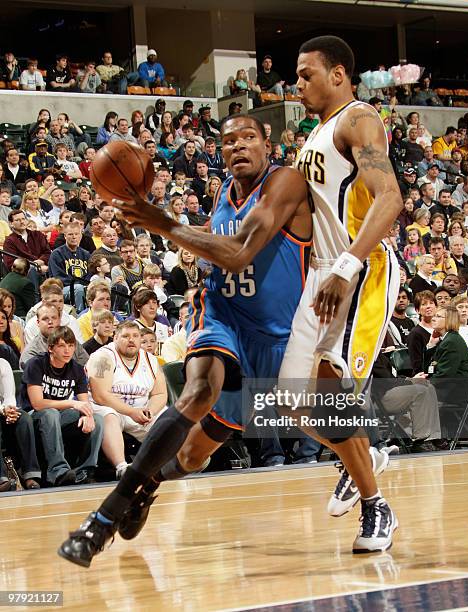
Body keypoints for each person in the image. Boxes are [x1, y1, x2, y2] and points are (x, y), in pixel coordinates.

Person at [118, 38, 397, 552]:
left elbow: (392, 197)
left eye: (307, 73)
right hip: (322, 274)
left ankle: (376, 506)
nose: (298, 83)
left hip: (360, 271)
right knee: (289, 402)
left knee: (331, 386)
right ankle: (359, 455)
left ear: (339, 74)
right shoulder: (315, 136)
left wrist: (347, 263)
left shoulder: (359, 120)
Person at [58, 112, 314, 565]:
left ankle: (149, 487)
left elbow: (237, 253)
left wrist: (162, 222)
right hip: (220, 314)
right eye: (229, 139)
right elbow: (215, 252)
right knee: (198, 391)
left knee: (194, 456)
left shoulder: (286, 183)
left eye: (248, 138)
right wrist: (169, 227)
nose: (238, 146)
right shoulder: (222, 191)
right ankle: (102, 519)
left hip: (273, 339)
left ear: (267, 142)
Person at [85, 321, 168, 479]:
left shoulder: (151, 360)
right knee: (109, 416)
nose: (131, 340)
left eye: (136, 336)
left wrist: (150, 411)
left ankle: (180, 460)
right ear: (115, 338)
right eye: (125, 336)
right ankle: (122, 467)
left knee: (168, 416)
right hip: (109, 407)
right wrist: (132, 412)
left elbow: (160, 394)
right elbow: (100, 395)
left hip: (140, 408)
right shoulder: (102, 357)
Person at [21, 326, 103, 486]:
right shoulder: (36, 364)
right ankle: (58, 471)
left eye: (71, 345)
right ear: (50, 348)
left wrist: (88, 415)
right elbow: (38, 404)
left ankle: (85, 470)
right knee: (50, 413)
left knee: (98, 419)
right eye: (62, 346)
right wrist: (73, 403)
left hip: (60, 415)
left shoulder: (77, 369)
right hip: (33, 417)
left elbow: (84, 402)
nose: (67, 350)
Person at [0, 357, 41, 491]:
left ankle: (30, 475)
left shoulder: (3, 364)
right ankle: (1, 478)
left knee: (23, 419)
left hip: (4, 412)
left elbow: (9, 396)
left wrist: (10, 410)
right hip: (1, 411)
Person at [48, 223, 90, 314]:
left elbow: (89, 274)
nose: (74, 237)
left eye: (76, 234)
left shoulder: (86, 254)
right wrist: (78, 284)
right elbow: (58, 278)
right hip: (61, 289)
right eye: (70, 234)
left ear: (81, 236)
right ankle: (80, 315)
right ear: (65, 236)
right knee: (78, 288)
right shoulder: (56, 254)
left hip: (82, 286)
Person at [407, 290, 437, 374]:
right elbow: (417, 364)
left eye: (431, 303)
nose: (428, 306)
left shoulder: (441, 329)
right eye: (424, 304)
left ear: (436, 307)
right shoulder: (415, 334)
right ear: (417, 310)